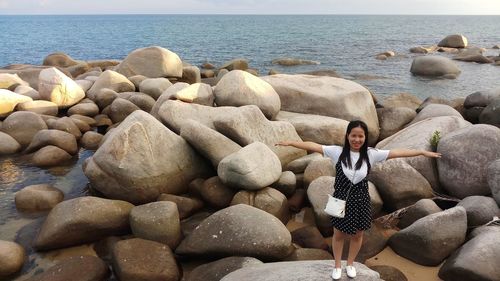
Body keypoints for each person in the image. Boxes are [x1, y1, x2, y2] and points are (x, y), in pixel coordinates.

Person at [276, 120, 441, 280]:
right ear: (348, 136)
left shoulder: (371, 154)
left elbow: (397, 152)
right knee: (338, 234)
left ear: (365, 137)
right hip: (340, 199)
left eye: (360, 136)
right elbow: (314, 146)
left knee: (358, 234)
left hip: (361, 200)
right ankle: (337, 266)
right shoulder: (337, 152)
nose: (357, 139)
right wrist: (291, 143)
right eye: (353, 135)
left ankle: (350, 264)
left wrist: (422, 152)